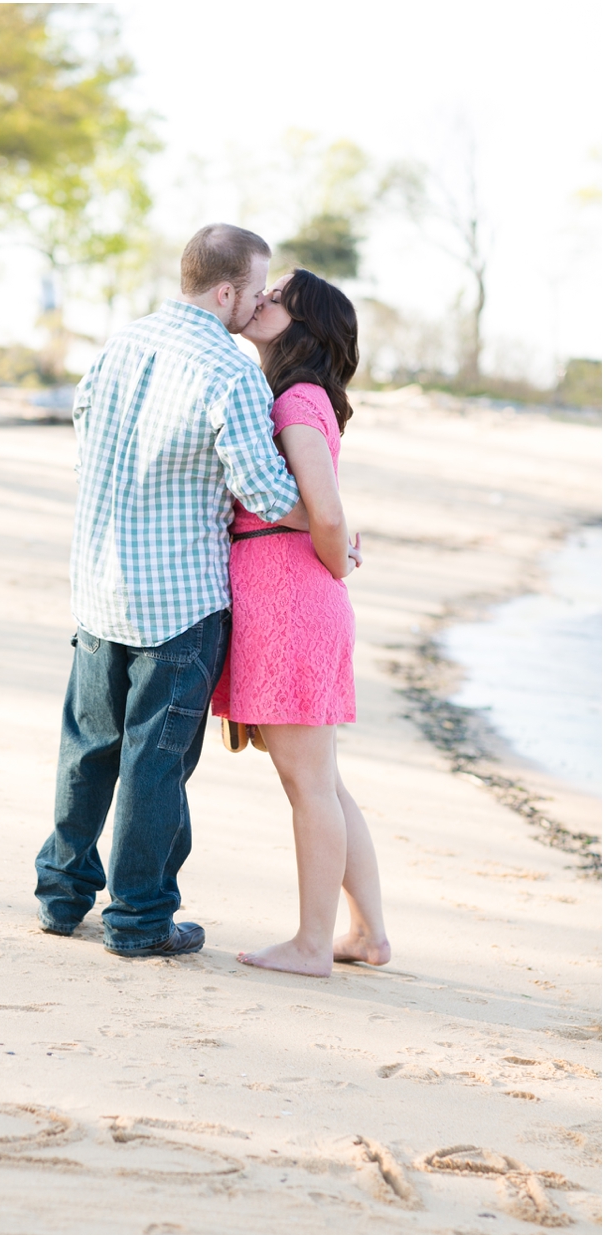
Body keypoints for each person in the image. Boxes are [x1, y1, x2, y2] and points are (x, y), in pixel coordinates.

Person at [34, 225, 310, 958]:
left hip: (97, 583)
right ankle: (140, 917)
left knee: (89, 746)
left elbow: (85, 426)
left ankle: (62, 896)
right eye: (255, 290)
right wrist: (329, 521)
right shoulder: (229, 369)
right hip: (179, 600)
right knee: (154, 763)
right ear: (226, 290)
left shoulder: (120, 343)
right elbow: (262, 486)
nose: (256, 305)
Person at [212, 269, 391, 976]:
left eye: (278, 296)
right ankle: (366, 934)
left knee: (308, 784)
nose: (262, 300)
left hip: (290, 600)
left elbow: (327, 509)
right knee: (325, 781)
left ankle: (314, 942)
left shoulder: (293, 400)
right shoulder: (298, 396)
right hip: (293, 593)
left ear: (304, 324)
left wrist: (337, 560)